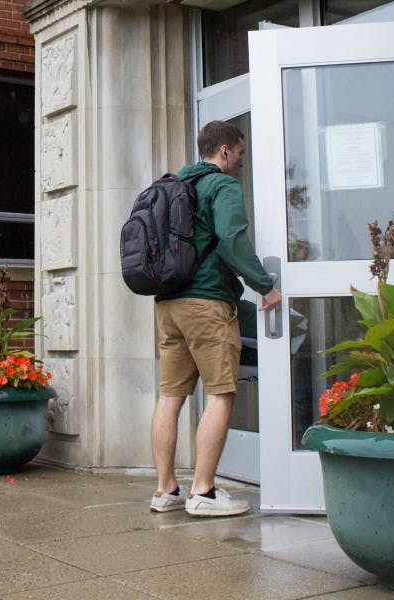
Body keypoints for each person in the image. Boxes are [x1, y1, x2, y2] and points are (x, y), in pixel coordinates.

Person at [149, 120, 282, 517]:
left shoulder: (177, 185)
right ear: (224, 150)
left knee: (170, 396)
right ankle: (203, 492)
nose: (242, 163)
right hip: (206, 303)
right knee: (221, 392)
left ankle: (165, 490)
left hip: (168, 303)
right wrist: (264, 285)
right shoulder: (222, 186)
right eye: (240, 154)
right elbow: (232, 240)